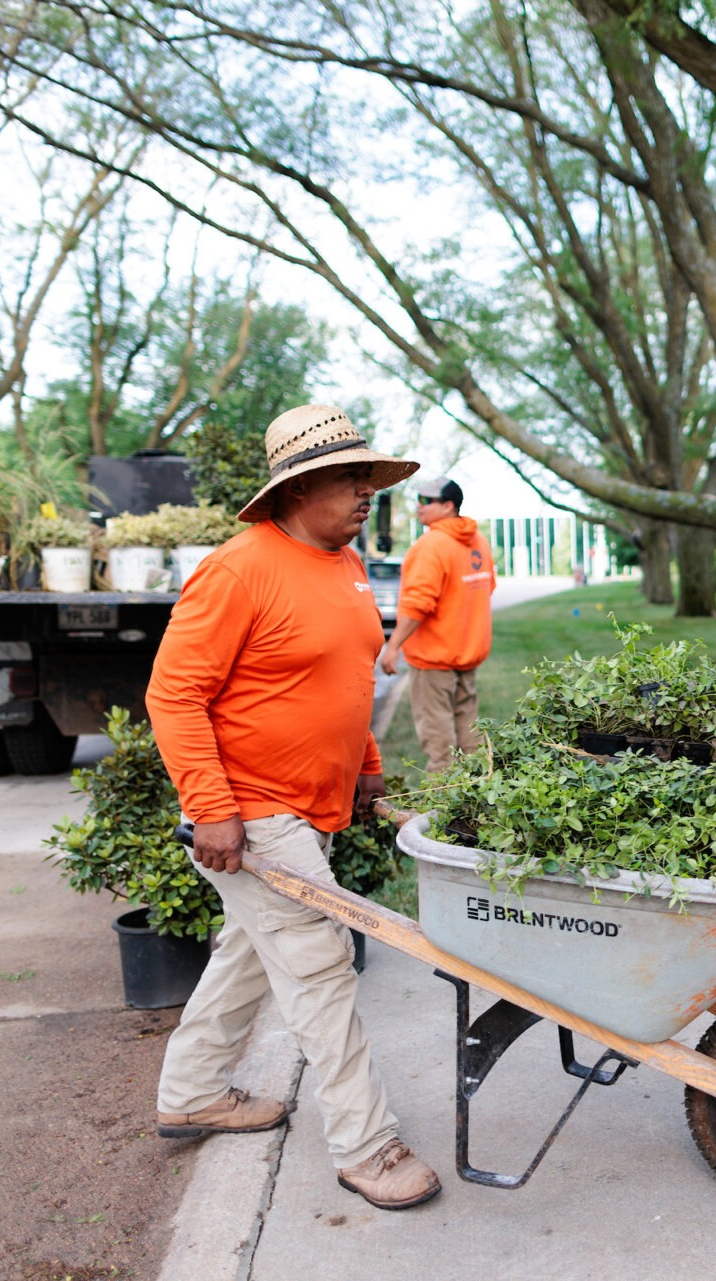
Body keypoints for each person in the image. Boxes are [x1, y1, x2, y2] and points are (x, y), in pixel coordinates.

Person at [146, 404, 441, 1212]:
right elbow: (173, 693)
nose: (365, 494)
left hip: (309, 806)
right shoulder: (240, 568)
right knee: (319, 965)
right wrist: (210, 806)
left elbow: (346, 680)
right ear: (301, 485)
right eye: (352, 479)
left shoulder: (344, 565)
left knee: (249, 951)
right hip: (253, 809)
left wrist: (368, 766)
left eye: (368, 480)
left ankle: (192, 1091)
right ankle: (366, 1144)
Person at [378, 478, 497, 772]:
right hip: (467, 654)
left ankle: (442, 804)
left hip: (434, 660)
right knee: (469, 738)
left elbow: (418, 605)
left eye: (426, 500)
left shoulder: (431, 545)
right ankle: (475, 796)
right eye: (418, 498)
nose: (419, 505)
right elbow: (486, 588)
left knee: (439, 743)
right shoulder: (477, 542)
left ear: (448, 506)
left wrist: (393, 647)